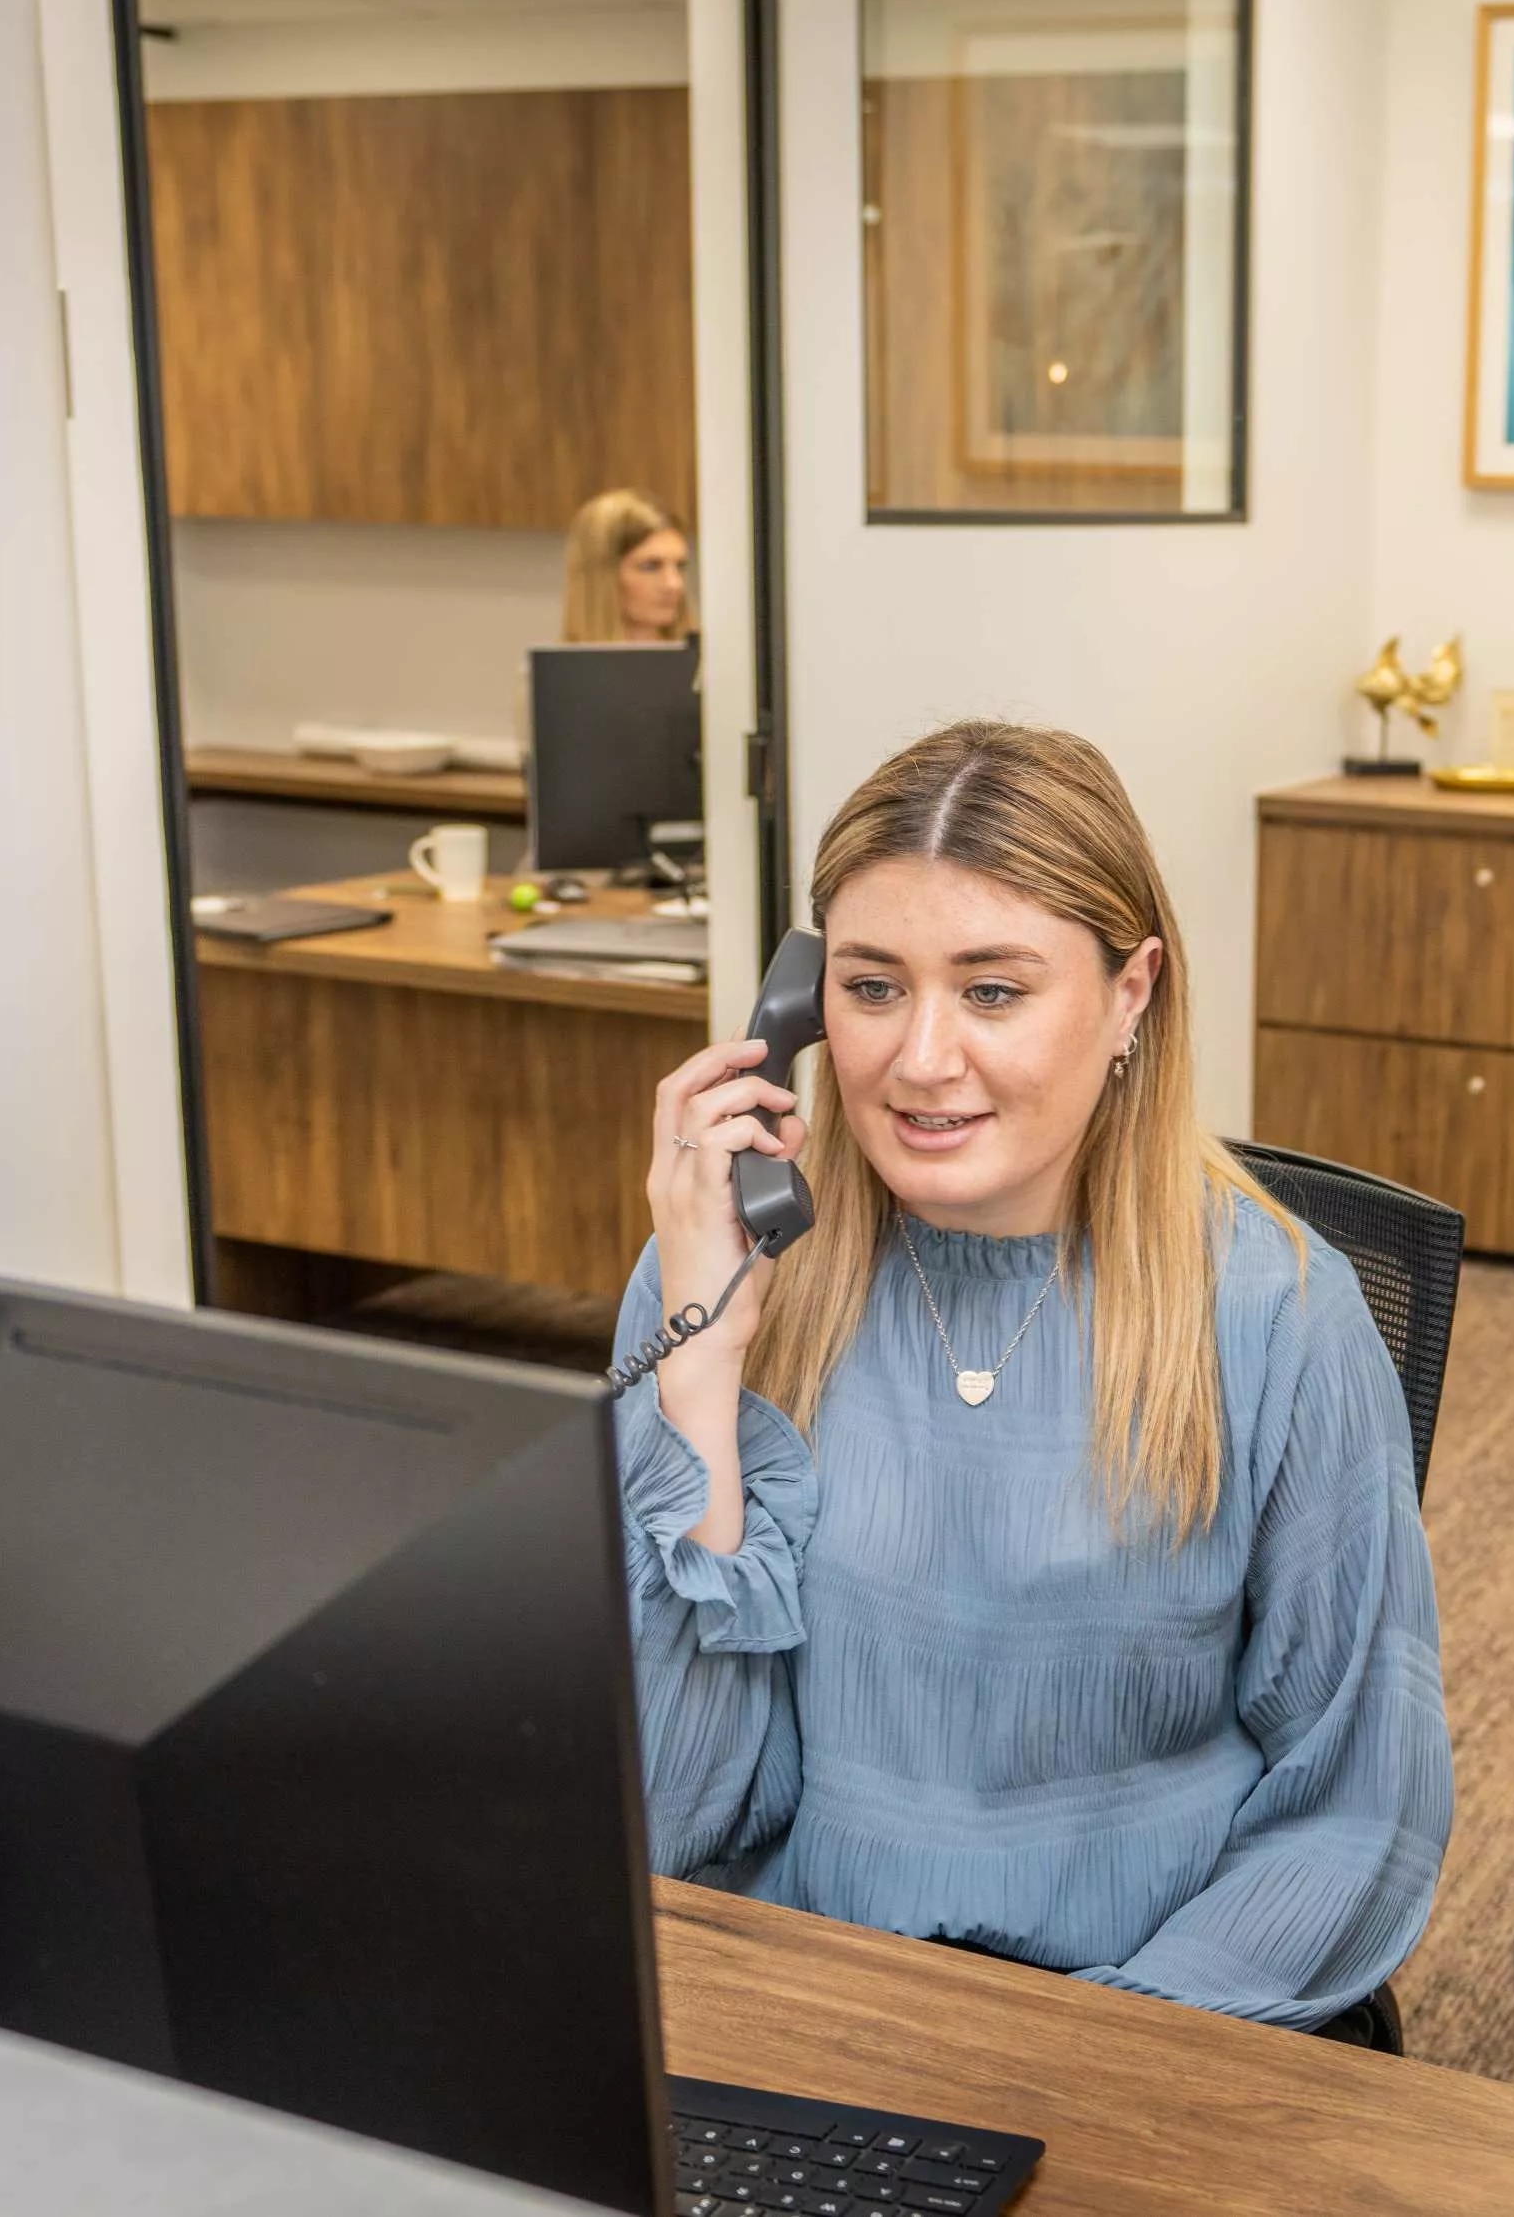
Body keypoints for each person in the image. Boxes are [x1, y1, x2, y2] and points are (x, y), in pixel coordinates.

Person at [612, 720, 1450, 2034]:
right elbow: (667, 1807)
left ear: (1132, 993)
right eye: (872, 986)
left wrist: (1101, 2057)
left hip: (1149, 2024)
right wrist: (701, 1378)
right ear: (800, 1003)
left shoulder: (1272, 1309)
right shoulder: (722, 1283)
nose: (920, 1057)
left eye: (992, 990)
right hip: (808, 2008)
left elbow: (1353, 1804)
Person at [562, 487, 694, 643]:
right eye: (651, 567)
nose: (674, 584)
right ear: (603, 576)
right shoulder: (558, 667)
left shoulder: (712, 664)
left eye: (680, 567)